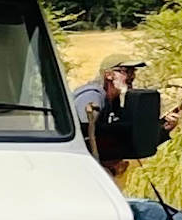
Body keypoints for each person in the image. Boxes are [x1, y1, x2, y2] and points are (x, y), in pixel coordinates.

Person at [72, 56, 172, 185]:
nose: (131, 76)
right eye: (126, 71)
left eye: (133, 71)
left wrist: (162, 130)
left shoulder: (113, 101)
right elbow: (85, 134)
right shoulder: (91, 96)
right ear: (108, 75)